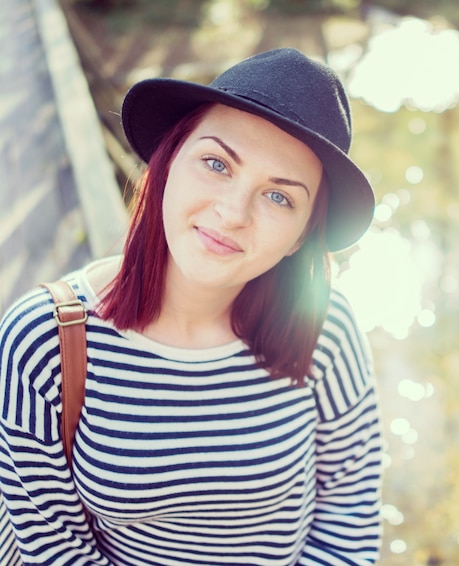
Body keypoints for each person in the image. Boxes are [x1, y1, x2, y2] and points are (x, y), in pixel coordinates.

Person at [0, 48, 382, 565]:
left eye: (279, 198)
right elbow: (52, 545)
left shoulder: (325, 327)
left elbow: (349, 504)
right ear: (167, 160)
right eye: (217, 163)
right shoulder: (42, 342)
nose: (232, 213)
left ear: (300, 237)